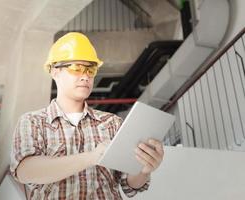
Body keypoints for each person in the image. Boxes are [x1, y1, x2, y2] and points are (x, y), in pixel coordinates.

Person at [10, 32, 164, 199]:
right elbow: (25, 172)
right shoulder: (33, 122)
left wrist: (144, 169)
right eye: (77, 68)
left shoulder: (112, 123)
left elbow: (129, 185)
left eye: (90, 69)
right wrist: (91, 157)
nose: (85, 76)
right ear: (55, 72)